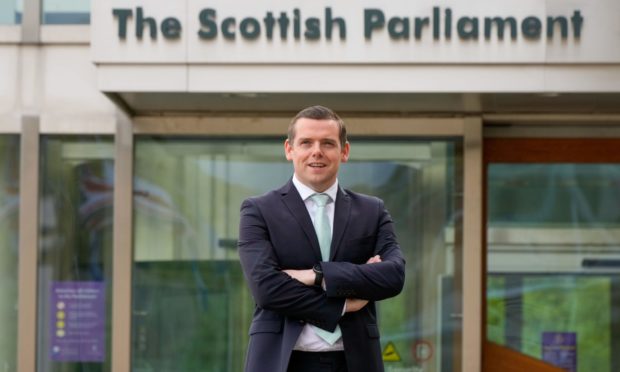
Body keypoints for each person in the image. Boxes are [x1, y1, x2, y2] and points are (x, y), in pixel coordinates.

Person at [238, 105, 405, 372]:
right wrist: (343, 303)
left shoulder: (372, 210)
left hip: (355, 361)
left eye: (328, 143)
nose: (317, 151)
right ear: (289, 149)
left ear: (344, 151)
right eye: (306, 142)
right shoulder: (259, 210)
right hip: (282, 361)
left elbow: (393, 276)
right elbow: (267, 289)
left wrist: (316, 275)